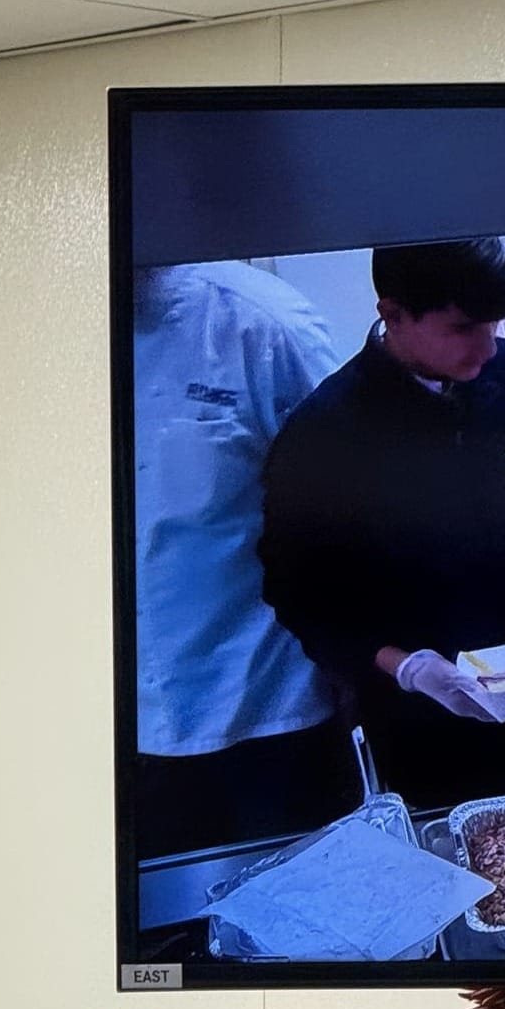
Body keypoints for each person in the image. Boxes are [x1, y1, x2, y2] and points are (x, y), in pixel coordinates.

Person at [258, 237, 505, 808]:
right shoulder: (324, 436)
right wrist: (413, 670)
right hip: (420, 737)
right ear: (393, 314)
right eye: (465, 327)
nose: (489, 348)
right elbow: (303, 599)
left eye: (495, 324)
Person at [132, 260, 361, 859]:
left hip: (271, 713)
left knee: (308, 924)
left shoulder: (263, 325)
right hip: (123, 729)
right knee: (162, 931)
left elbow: (350, 512)